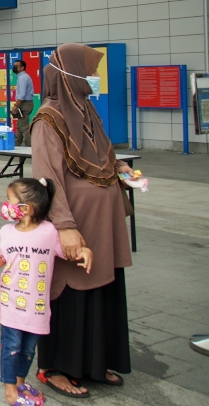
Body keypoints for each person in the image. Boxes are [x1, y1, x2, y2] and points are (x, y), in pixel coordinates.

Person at [30, 43, 135, 398]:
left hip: (104, 224)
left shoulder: (87, 110)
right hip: (77, 221)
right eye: (90, 71)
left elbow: (101, 154)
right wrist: (66, 227)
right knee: (72, 292)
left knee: (103, 287)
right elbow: (48, 178)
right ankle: (55, 368)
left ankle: (95, 362)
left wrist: (120, 168)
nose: (95, 77)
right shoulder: (48, 118)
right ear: (71, 74)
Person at [0, 177, 94, 406]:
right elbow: (1, 254)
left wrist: (85, 252)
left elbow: (67, 251)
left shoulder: (49, 232)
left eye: (9, 200)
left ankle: (20, 382)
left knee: (28, 349)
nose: (6, 204)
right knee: (12, 347)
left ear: (26, 208)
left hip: (36, 307)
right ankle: (10, 392)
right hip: (11, 302)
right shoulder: (7, 232)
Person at [12, 60, 35, 147]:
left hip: (25, 104)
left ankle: (30, 147)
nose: (14, 67)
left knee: (23, 126)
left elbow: (22, 94)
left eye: (17, 66)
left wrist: (15, 105)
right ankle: (17, 144)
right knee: (19, 125)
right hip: (23, 103)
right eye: (14, 65)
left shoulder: (23, 78)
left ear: (22, 68)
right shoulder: (21, 77)